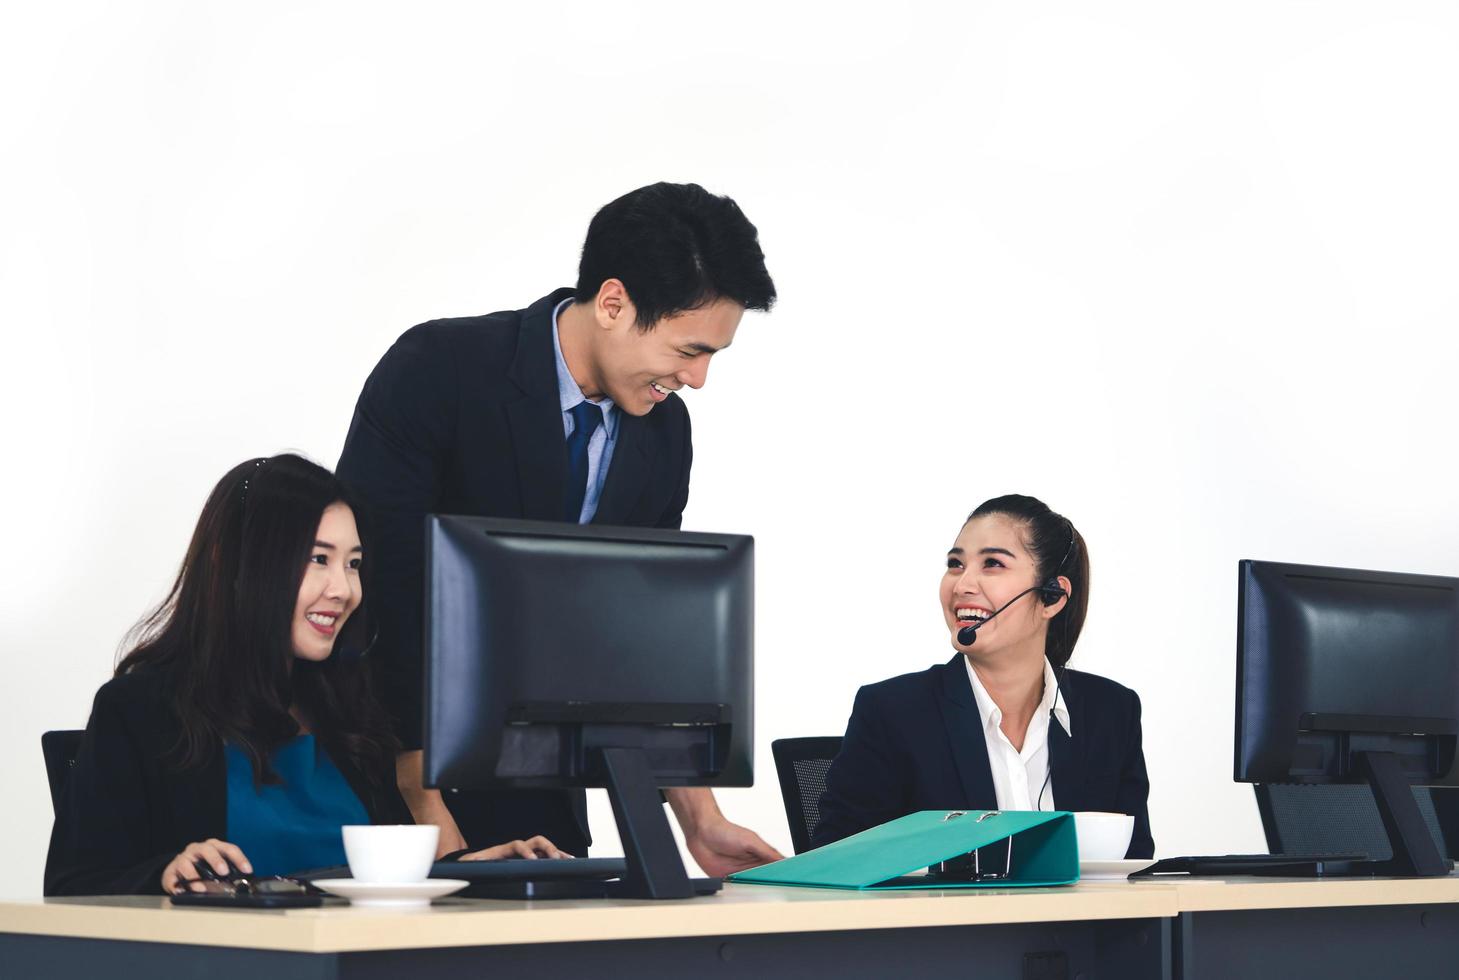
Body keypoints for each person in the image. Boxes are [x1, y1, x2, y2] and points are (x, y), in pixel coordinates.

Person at [337, 182, 784, 874]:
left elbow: (636, 635)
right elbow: (376, 596)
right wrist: (424, 807)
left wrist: (699, 816)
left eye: (711, 357)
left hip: (541, 800)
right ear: (613, 303)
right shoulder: (438, 372)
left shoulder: (661, 433)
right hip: (395, 797)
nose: (696, 379)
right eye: (687, 349)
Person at [44, 455, 566, 896]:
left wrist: (475, 871)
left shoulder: (349, 707)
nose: (343, 589)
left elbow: (371, 878)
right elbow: (74, 885)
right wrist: (165, 874)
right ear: (241, 565)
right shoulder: (139, 708)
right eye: (320, 559)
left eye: (354, 564)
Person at [814, 495, 1154, 857]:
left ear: (1052, 597)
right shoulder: (894, 712)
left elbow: (1134, 868)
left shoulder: (1111, 712)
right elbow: (837, 862)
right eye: (955, 564)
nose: (962, 585)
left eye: (992, 564)